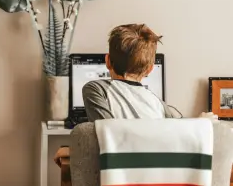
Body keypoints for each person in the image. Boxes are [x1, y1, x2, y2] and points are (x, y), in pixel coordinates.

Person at [54, 23, 177, 166]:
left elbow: (108, 136)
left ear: (107, 61)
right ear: (150, 69)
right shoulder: (158, 103)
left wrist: (71, 151)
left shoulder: (95, 89)